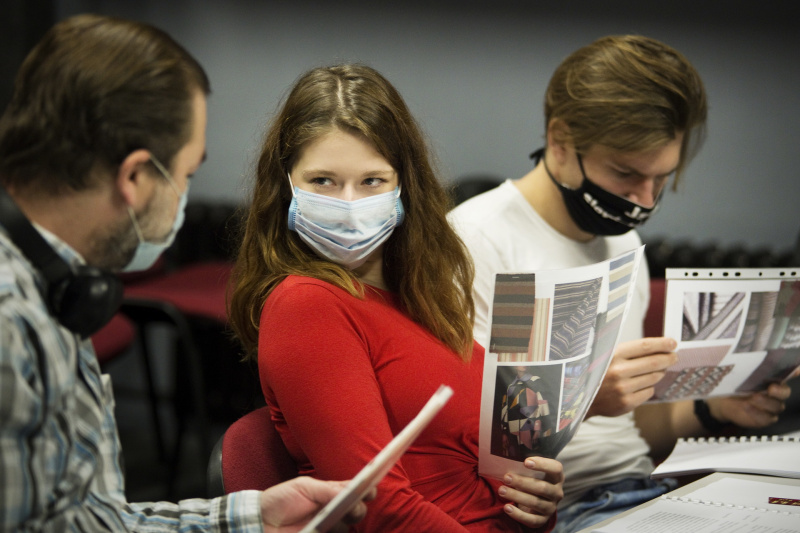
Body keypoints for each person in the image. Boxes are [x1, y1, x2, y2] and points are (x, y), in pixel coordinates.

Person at [0, 14, 372, 532]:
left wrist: (252, 518)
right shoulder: (10, 323)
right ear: (134, 177)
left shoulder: (59, 286)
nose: (184, 195)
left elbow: (85, 521)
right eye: (186, 175)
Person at [448, 35, 793, 533]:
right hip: (560, 507)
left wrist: (714, 408)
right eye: (626, 173)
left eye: (662, 179)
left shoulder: (625, 245)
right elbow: (459, 443)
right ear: (560, 140)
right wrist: (581, 401)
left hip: (644, 490)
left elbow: (628, 432)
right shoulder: (476, 240)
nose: (644, 200)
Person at [228, 64, 565, 532]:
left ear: (404, 185)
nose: (348, 204)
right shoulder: (306, 304)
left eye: (372, 181)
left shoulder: (424, 294)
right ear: (285, 187)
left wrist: (537, 493)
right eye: (322, 181)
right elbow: (378, 507)